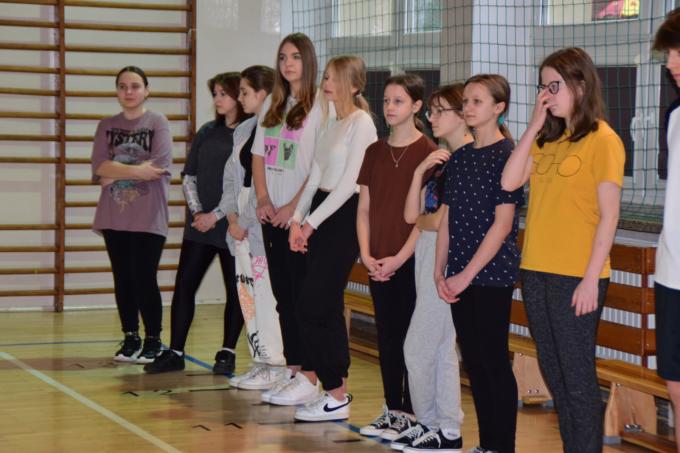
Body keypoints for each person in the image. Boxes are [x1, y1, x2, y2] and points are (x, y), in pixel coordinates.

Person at [501, 48, 624, 453]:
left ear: (580, 86)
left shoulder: (604, 140)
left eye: (554, 86)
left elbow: (609, 216)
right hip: (536, 271)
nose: (546, 95)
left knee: (577, 378)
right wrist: (534, 124)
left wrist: (590, 279)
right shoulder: (546, 140)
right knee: (555, 373)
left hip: (576, 276)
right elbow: (509, 181)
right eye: (542, 87)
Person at [435, 74, 523, 453]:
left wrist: (467, 275)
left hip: (491, 276)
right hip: (458, 275)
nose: (468, 108)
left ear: (499, 107)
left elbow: (502, 226)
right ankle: (487, 444)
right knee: (473, 362)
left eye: (477, 101)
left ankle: (501, 446)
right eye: (466, 102)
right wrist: (440, 270)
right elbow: (447, 220)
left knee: (493, 362)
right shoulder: (460, 157)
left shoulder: (508, 156)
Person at [287, 55, 377, 422]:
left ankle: (336, 391)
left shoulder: (362, 123)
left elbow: (349, 184)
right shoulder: (331, 122)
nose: (326, 84)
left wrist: (311, 224)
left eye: (334, 78)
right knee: (321, 306)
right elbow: (315, 176)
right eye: (325, 77)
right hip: (320, 212)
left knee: (312, 305)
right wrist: (297, 220)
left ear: (354, 85)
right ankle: (333, 392)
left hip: (342, 217)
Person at [144, 72, 248, 374]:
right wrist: (198, 213)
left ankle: (227, 352)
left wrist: (217, 215)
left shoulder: (250, 134)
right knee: (184, 285)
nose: (217, 99)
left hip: (233, 226)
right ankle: (175, 351)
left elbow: (244, 185)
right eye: (214, 93)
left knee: (236, 291)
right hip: (199, 228)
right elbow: (189, 175)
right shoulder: (206, 132)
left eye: (223, 94)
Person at [356, 74, 438, 440]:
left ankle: (410, 411)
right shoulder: (374, 151)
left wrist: (400, 258)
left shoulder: (429, 153)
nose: (390, 107)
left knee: (409, 340)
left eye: (398, 101)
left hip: (410, 261)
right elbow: (364, 208)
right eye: (387, 100)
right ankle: (392, 409)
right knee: (387, 336)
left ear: (417, 106)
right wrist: (366, 253)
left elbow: (423, 218)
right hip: (378, 259)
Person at [392, 84, 472, 452]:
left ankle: (433, 424)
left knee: (417, 347)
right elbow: (413, 216)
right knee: (440, 350)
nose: (433, 118)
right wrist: (418, 171)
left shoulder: (468, 160)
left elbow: (439, 222)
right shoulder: (443, 161)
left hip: (446, 259)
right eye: (432, 111)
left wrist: (429, 222)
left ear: (462, 115)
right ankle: (445, 430)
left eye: (441, 111)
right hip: (426, 256)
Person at [251, 33, 328, 405]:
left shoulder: (321, 105)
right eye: (282, 57)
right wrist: (263, 198)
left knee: (302, 298)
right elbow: (258, 156)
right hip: (271, 214)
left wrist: (294, 209)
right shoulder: (272, 102)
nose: (288, 64)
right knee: (282, 296)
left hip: (300, 218)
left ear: (308, 61)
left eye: (295, 57)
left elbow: (318, 166)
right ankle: (293, 369)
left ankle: (311, 374)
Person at [91, 66, 172, 363]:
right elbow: (99, 167)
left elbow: (159, 166)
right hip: (113, 216)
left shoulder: (158, 122)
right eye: (123, 86)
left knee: (144, 278)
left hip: (149, 217)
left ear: (146, 90)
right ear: (117, 91)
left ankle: (153, 339)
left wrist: (116, 171)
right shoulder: (106, 125)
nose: (129, 91)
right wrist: (138, 170)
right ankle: (130, 337)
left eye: (135, 86)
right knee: (123, 279)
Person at [222, 65, 287, 390]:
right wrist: (231, 217)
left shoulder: (279, 128)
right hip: (240, 230)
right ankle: (260, 359)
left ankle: (277, 364)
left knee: (266, 298)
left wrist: (245, 221)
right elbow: (231, 178)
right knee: (247, 296)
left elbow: (270, 182)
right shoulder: (243, 130)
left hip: (261, 230)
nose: (240, 98)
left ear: (263, 94)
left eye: (245, 92)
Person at [653, 9, 680, 450]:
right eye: (669, 53)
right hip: (671, 273)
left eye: (679, 51)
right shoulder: (675, 116)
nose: (672, 63)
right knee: (675, 383)